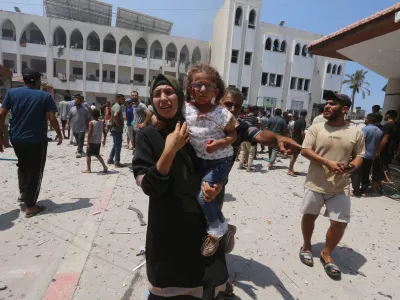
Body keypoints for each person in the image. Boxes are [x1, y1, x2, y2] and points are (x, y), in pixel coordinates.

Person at [132, 73, 228, 299]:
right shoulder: (146, 136)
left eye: (169, 92)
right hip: (167, 227)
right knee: (168, 285)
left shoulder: (197, 130)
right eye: (157, 94)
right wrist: (170, 150)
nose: (163, 98)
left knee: (205, 281)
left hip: (200, 222)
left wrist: (218, 185)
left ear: (180, 96)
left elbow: (218, 163)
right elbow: (148, 186)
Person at [299, 91, 365, 279]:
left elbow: (359, 155)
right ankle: (306, 245)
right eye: (326, 103)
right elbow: (305, 150)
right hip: (315, 183)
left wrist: (351, 167)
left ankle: (326, 253)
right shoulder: (316, 128)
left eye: (332, 104)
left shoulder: (355, 132)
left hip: (340, 186)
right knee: (309, 216)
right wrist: (327, 162)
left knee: (339, 223)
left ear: (344, 109)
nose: (327, 106)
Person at [183, 64, 237, 256]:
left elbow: (233, 136)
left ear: (217, 89)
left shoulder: (222, 113)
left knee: (204, 197)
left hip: (219, 160)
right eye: (198, 85)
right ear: (190, 88)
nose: (203, 90)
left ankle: (216, 231)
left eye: (208, 85)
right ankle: (224, 227)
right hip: (199, 161)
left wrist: (220, 143)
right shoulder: (185, 109)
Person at [0, 68, 63, 217]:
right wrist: (60, 134)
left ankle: (23, 193)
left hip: (16, 138)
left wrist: (1, 136)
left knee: (22, 165)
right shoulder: (44, 96)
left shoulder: (12, 93)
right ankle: (30, 206)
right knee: (35, 170)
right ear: (37, 80)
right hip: (37, 141)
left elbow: (2, 114)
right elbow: (52, 118)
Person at [350, 114, 383, 197]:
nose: (365, 119)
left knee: (356, 172)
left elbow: (361, 141)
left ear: (368, 119)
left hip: (362, 155)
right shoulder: (379, 131)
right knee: (366, 173)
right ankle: (364, 191)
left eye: (366, 118)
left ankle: (356, 190)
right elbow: (378, 144)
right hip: (371, 156)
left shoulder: (365, 129)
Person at [373, 110, 399, 193]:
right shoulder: (397, 125)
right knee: (386, 168)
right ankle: (387, 186)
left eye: (385, 114)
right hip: (392, 151)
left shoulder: (388, 125)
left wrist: (378, 151)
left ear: (388, 115)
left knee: (379, 169)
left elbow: (385, 139)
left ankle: (377, 188)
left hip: (385, 151)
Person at [82, 109, 108, 174]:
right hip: (98, 142)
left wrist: (88, 143)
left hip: (92, 141)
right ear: (99, 115)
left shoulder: (91, 122)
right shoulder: (101, 122)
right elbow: (105, 132)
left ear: (92, 115)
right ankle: (104, 166)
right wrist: (104, 140)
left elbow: (90, 133)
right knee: (97, 155)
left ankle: (88, 169)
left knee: (88, 155)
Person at [239, 106, 259, 171]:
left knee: (243, 151)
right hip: (251, 137)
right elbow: (255, 129)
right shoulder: (255, 119)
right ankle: (249, 167)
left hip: (243, 137)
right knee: (251, 152)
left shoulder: (245, 117)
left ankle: (240, 165)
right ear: (254, 111)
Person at [108, 94, 125, 167]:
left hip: (114, 128)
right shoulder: (117, 106)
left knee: (115, 144)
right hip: (117, 129)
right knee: (118, 145)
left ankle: (110, 159)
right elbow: (115, 115)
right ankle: (117, 162)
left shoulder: (115, 106)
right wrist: (118, 123)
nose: (123, 100)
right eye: (122, 99)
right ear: (118, 99)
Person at [288, 110, 307, 177]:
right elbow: (302, 132)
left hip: (295, 139)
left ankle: (291, 169)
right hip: (298, 140)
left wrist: (292, 138)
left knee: (294, 155)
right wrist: (304, 140)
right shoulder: (303, 121)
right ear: (305, 115)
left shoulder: (297, 121)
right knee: (294, 155)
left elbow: (293, 130)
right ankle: (290, 170)